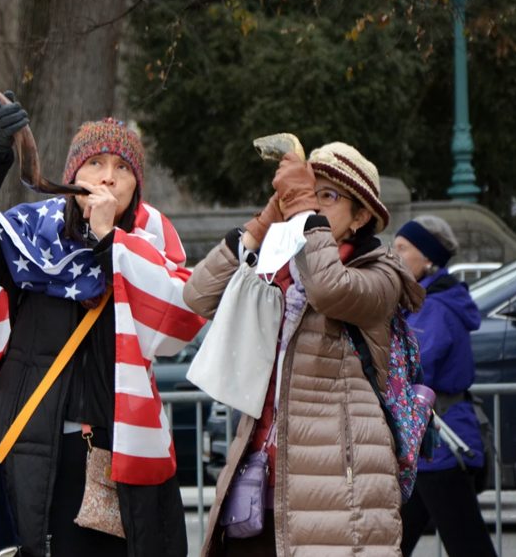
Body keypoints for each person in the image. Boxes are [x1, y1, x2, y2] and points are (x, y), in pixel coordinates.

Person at [0, 97, 205, 557]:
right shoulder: (30, 242)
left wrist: (108, 243)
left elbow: (174, 323)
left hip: (110, 450)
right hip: (26, 441)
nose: (107, 176)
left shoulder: (151, 257)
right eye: (95, 163)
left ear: (135, 188)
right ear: (71, 176)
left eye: (122, 168)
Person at [184, 144, 425, 556]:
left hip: (338, 498)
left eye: (327, 197)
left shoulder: (382, 272)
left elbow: (330, 288)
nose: (311, 204)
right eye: (307, 192)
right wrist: (261, 226)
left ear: (362, 216)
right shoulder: (278, 266)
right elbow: (198, 296)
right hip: (258, 490)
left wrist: (303, 215)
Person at [393, 216, 497, 557]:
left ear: (428, 258)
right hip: (427, 445)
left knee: (467, 546)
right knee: (388, 544)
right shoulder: (423, 302)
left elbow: (413, 368)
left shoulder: (435, 308)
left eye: (402, 248)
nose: (393, 256)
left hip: (442, 444)